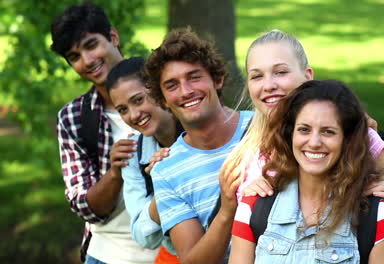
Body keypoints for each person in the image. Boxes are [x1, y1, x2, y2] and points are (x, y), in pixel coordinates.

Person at [221, 29, 384, 257]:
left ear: (307, 76)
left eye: (281, 72)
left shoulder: (357, 140)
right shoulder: (249, 150)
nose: (268, 85)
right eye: (257, 76)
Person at [229, 79, 384, 263]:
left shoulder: (375, 215)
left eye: (328, 132)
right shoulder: (254, 207)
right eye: (304, 129)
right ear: (290, 134)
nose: (314, 142)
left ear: (347, 140)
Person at [51, 3, 157, 263]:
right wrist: (114, 171)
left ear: (113, 37)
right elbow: (86, 207)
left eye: (91, 45)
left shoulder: (164, 87)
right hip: (107, 254)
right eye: (74, 56)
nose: (87, 61)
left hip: (174, 252)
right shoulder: (73, 118)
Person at [144, 28, 254, 263]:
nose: (186, 91)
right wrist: (226, 212)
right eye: (172, 85)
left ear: (217, 79)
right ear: (163, 100)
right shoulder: (167, 172)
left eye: (194, 77)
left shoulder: (261, 129)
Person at [107, 57, 182, 263]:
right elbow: (144, 236)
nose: (133, 115)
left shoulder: (198, 129)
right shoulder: (134, 156)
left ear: (158, 91)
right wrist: (163, 188)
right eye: (122, 109)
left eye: (138, 100)